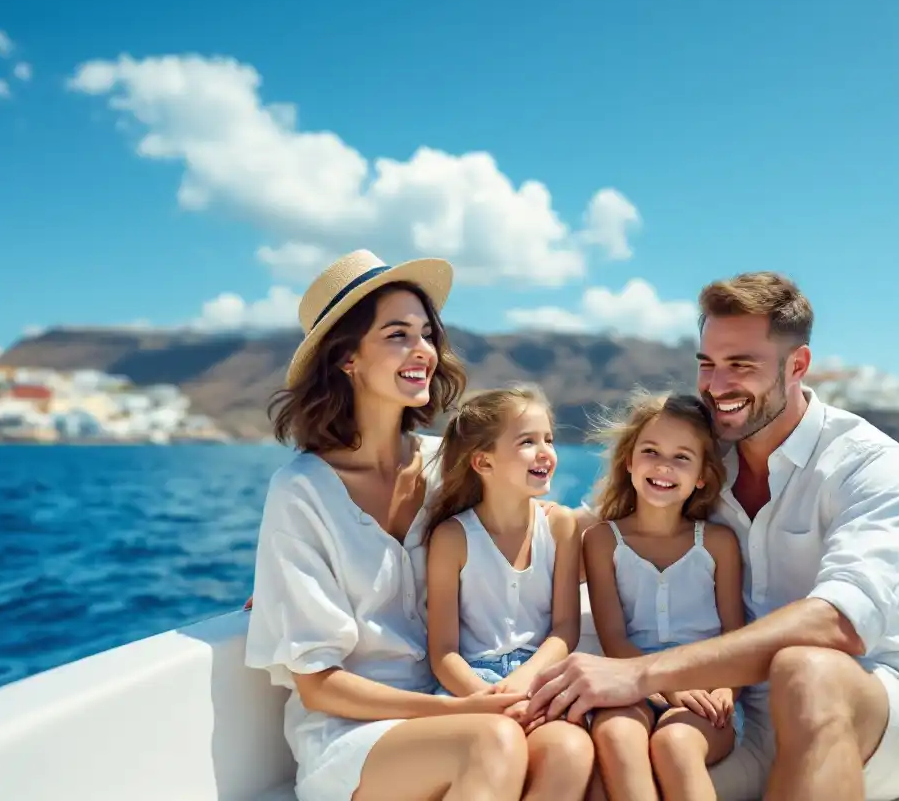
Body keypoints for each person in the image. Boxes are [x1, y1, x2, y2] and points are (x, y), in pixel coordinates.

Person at [527, 271, 899, 801]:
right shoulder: (694, 453)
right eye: (707, 365)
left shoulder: (866, 462)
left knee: (806, 668)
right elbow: (580, 528)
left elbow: (840, 624)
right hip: (733, 717)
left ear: (798, 366)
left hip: (867, 718)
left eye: (741, 366)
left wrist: (641, 674)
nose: (717, 386)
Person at [244, 249, 530, 801]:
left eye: (426, 333)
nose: (423, 349)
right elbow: (318, 683)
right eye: (397, 334)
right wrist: (463, 708)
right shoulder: (301, 490)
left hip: (453, 708)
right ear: (348, 357)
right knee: (492, 740)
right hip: (352, 736)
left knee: (566, 745)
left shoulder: (448, 464)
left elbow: (536, 528)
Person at [424, 385, 595, 800]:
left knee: (571, 751)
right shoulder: (452, 537)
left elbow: (564, 628)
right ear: (483, 461)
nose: (545, 452)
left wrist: (524, 684)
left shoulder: (560, 527)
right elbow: (443, 652)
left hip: (541, 678)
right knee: (502, 747)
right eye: (527, 442)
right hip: (472, 683)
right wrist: (485, 698)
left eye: (548, 440)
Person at [582, 391, 746, 801]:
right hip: (630, 685)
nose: (663, 467)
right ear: (629, 461)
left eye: (682, 458)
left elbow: (734, 639)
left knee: (675, 744)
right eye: (651, 451)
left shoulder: (718, 543)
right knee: (617, 735)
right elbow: (614, 640)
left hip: (705, 693)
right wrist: (665, 687)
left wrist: (726, 692)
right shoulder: (602, 540)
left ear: (703, 476)